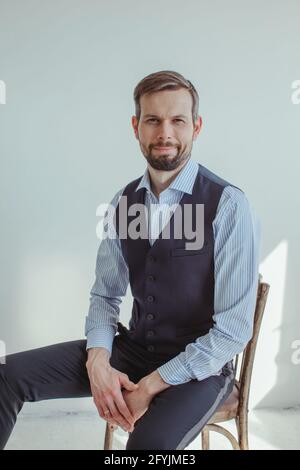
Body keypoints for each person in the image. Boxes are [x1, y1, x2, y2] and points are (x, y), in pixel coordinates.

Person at [0, 70, 260, 450]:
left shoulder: (229, 205)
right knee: (7, 376)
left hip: (200, 371)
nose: (165, 134)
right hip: (135, 350)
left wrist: (153, 384)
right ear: (136, 127)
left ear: (196, 127)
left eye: (177, 121)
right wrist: (98, 362)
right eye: (153, 120)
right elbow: (105, 296)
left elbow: (233, 330)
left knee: (144, 450)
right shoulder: (122, 204)